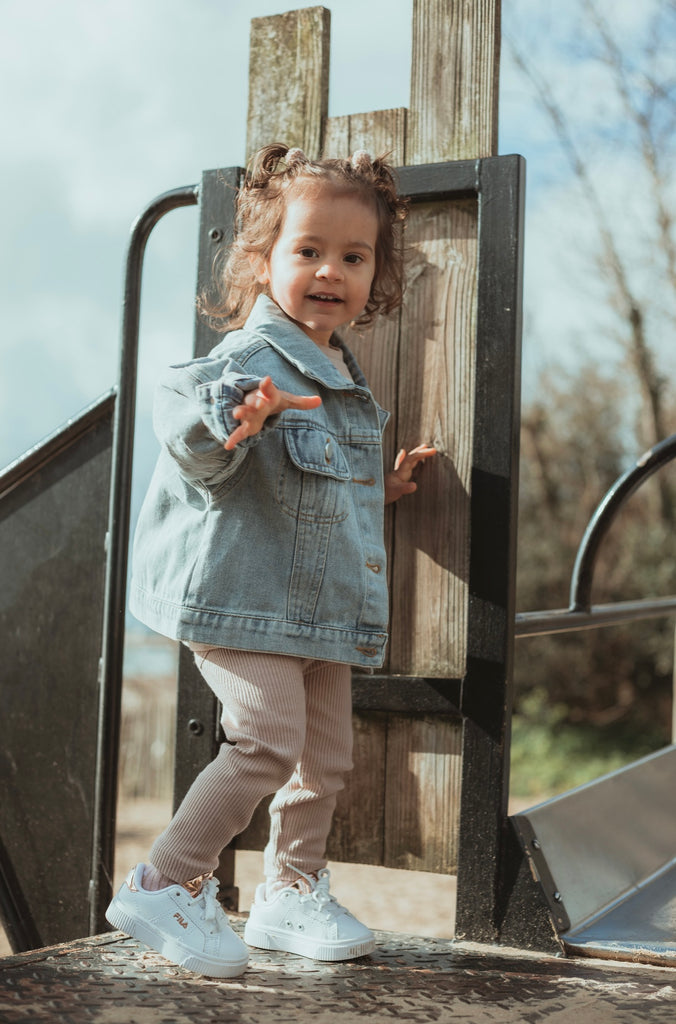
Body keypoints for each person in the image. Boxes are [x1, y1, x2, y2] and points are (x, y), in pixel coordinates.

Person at [106, 143, 436, 978]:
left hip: (315, 608)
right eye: (308, 250)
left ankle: (291, 890)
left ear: (375, 276)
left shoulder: (340, 375)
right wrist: (234, 416)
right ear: (263, 260)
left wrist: (382, 489)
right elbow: (189, 420)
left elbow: (320, 489)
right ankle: (165, 881)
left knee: (326, 755)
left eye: (353, 257)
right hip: (242, 598)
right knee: (265, 738)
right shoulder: (248, 365)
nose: (331, 270)